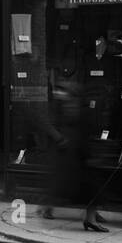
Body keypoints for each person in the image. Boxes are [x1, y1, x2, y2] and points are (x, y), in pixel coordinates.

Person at [38, 81, 108, 232]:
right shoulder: (66, 106)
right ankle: (90, 217)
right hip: (71, 151)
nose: (60, 94)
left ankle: (90, 217)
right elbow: (50, 123)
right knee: (76, 184)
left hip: (75, 150)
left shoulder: (70, 106)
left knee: (80, 185)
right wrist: (60, 139)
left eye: (64, 92)